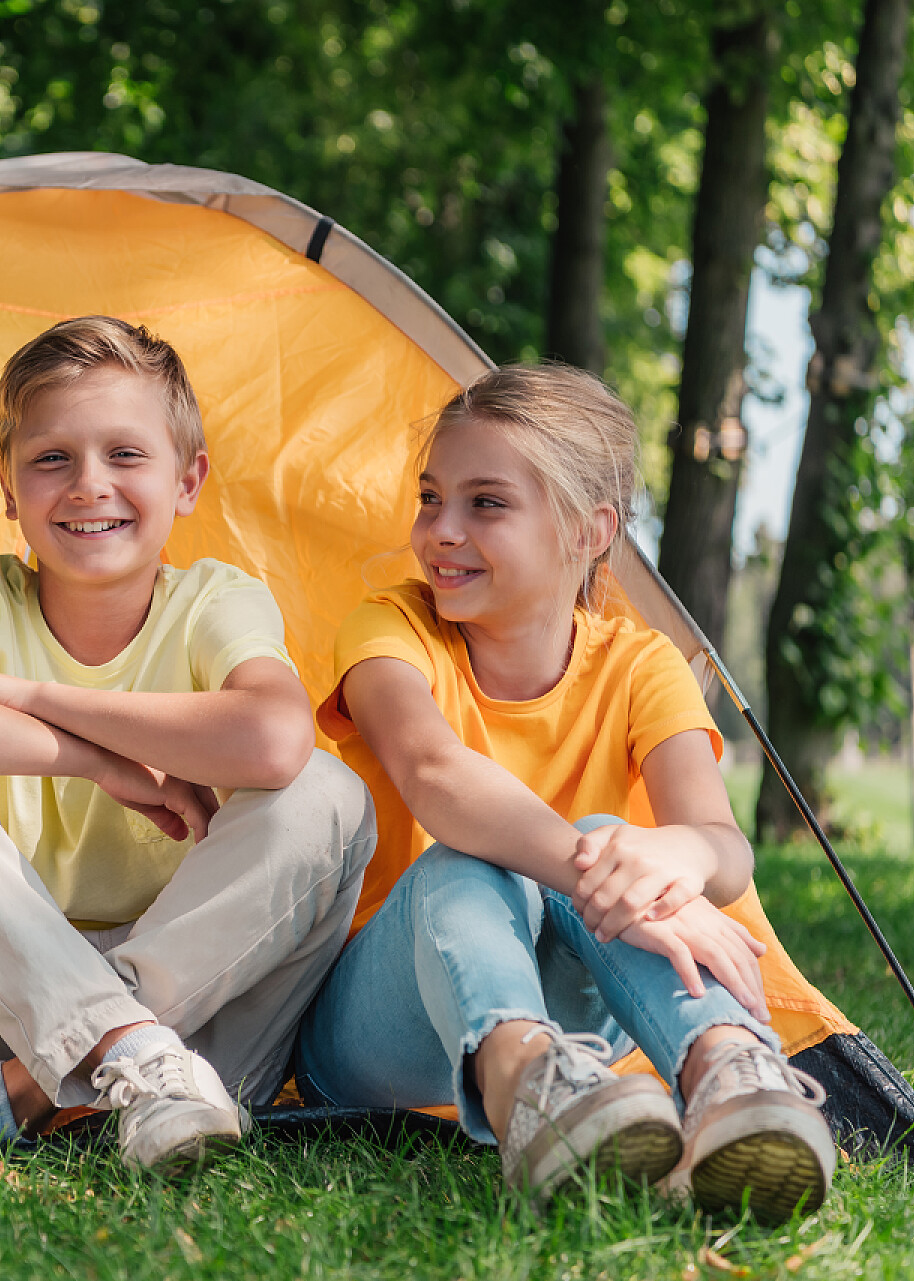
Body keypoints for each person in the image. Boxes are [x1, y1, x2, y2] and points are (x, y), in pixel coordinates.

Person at [0, 315, 376, 1174]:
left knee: (328, 792)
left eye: (125, 455)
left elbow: (272, 736)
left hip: (204, 1024)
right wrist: (94, 759)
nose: (88, 485)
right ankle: (120, 1049)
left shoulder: (216, 600)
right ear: (7, 489)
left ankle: (23, 1094)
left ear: (188, 481)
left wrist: (40, 697)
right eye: (50, 459)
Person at [293, 364, 832, 1222]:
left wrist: (671, 856)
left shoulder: (641, 662)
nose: (442, 531)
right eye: (432, 498)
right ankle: (527, 1087)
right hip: (378, 1025)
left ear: (589, 530)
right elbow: (437, 777)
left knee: (621, 839)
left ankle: (732, 1079)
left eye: (486, 504)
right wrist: (604, 870)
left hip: (579, 1015)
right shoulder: (387, 628)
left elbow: (725, 850)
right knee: (485, 855)